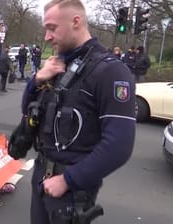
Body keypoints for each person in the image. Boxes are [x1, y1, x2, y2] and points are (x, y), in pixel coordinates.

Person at [18, 1, 136, 224]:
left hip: (71, 191)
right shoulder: (58, 65)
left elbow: (119, 145)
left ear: (76, 21)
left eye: (52, 28)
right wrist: (36, 81)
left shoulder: (111, 71)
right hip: (42, 176)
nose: (46, 36)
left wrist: (67, 181)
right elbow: (29, 111)